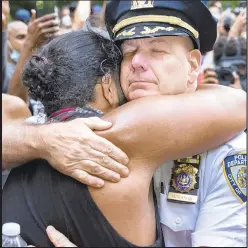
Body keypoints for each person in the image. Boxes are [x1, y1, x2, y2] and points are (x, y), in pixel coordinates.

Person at [1, 26, 245, 247]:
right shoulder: (121, 134)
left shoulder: (36, 136)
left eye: (158, 51)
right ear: (108, 85)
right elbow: (236, 103)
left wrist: (40, 141)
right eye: (128, 55)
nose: (138, 64)